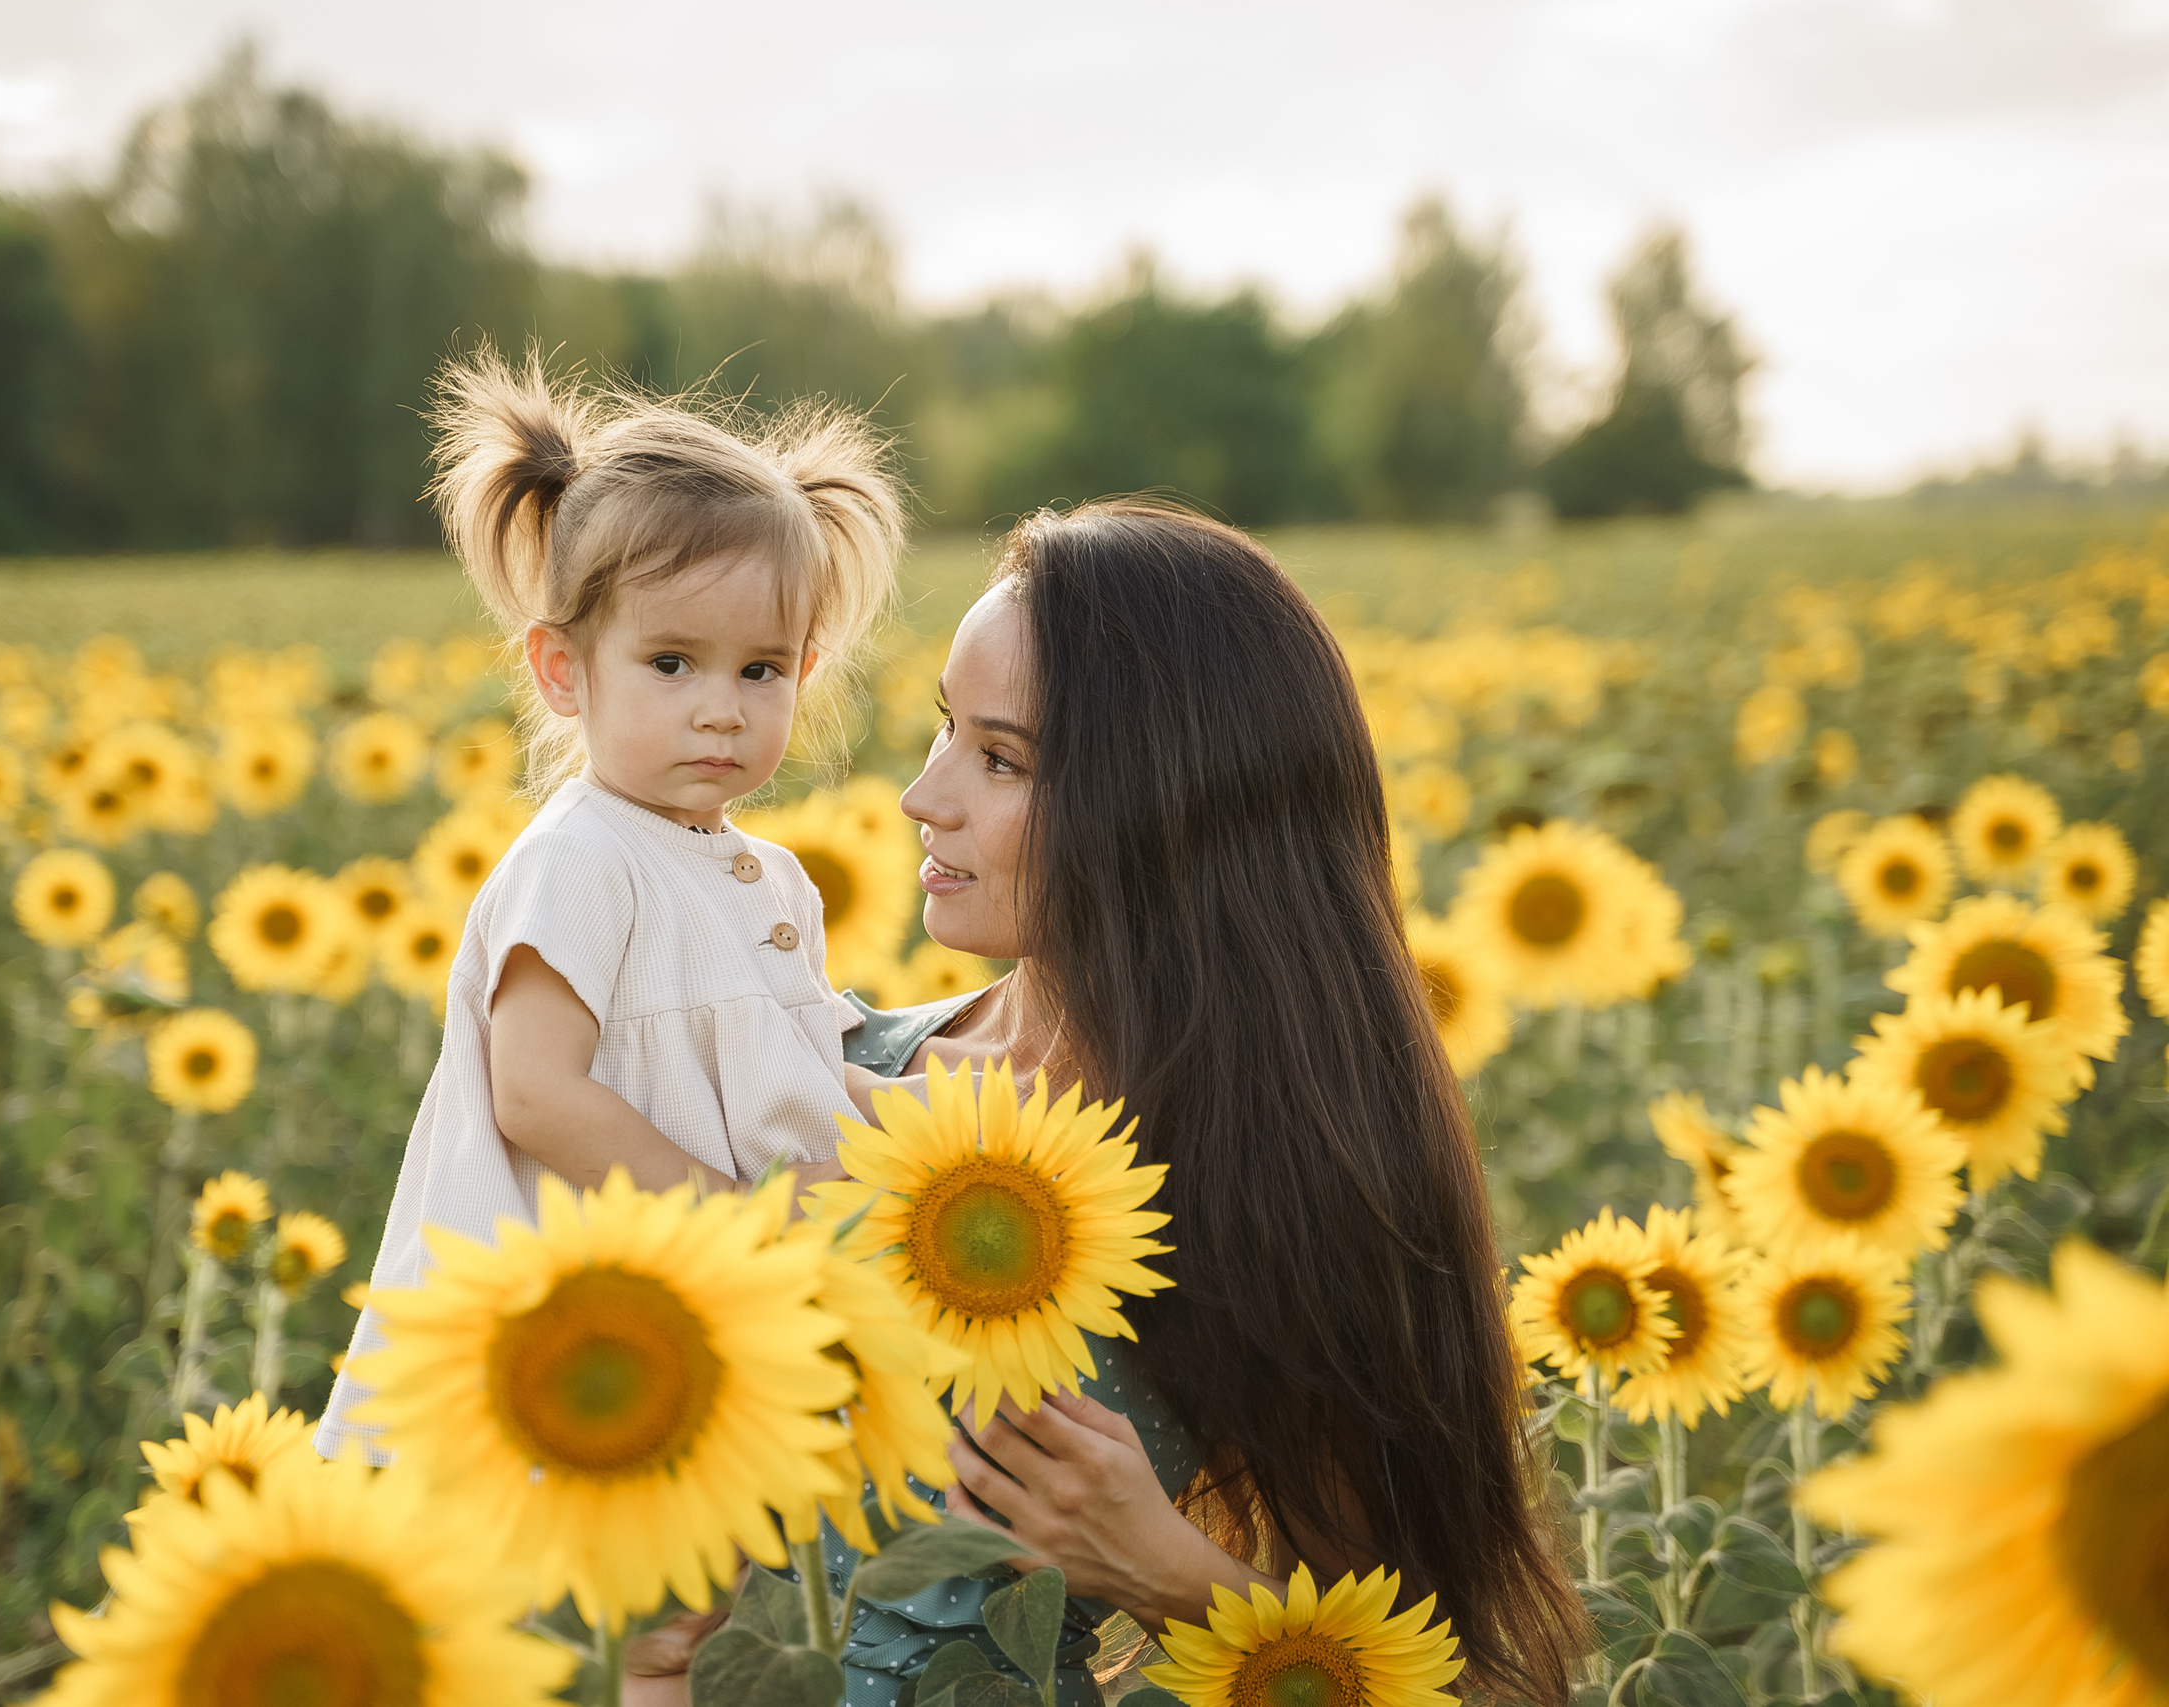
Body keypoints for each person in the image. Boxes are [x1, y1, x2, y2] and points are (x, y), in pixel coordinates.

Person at [643, 501, 1587, 1706]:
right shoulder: (826, 1074)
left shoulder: (1259, 1173)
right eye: (944, 730)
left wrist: (1166, 1573)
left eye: (1001, 758)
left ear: (1166, 810)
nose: (921, 798)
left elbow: (1461, 1676)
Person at [313, 353, 903, 1463]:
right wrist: (731, 1223)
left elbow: (777, 1069)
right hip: (533, 1358)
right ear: (562, 672)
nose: (720, 710)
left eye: (761, 671)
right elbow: (535, 1093)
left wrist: (919, 1118)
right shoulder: (580, 859)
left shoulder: (768, 879)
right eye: (672, 663)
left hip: (664, 1343)